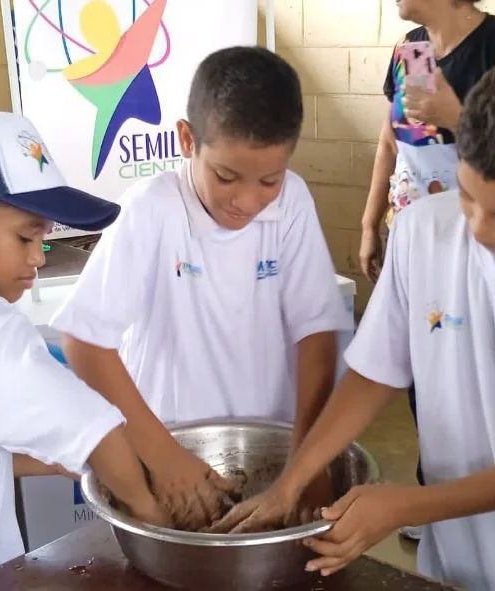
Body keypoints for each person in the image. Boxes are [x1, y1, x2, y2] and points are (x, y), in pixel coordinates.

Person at [210, 45, 495, 591]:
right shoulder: (424, 231)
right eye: (470, 198)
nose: (479, 231)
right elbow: (376, 368)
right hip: (451, 562)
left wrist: (410, 504)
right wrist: (293, 481)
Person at [50, 46, 351, 530]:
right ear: (187, 140)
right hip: (166, 442)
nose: (247, 201)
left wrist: (303, 465)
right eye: (226, 176)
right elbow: (85, 343)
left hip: (271, 448)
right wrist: (162, 457)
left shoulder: (292, 201)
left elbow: (316, 331)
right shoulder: (153, 208)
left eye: (268, 180)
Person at [0, 111, 169, 591]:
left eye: (45, 236)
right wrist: (160, 524)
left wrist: (51, 457)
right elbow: (101, 437)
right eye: (26, 235)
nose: (39, 256)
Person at [358, 0, 495, 539]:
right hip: (423, 223)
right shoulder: (412, 49)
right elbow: (392, 134)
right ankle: (435, 494)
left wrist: (456, 112)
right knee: (436, 375)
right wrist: (370, 221)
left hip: (485, 247)